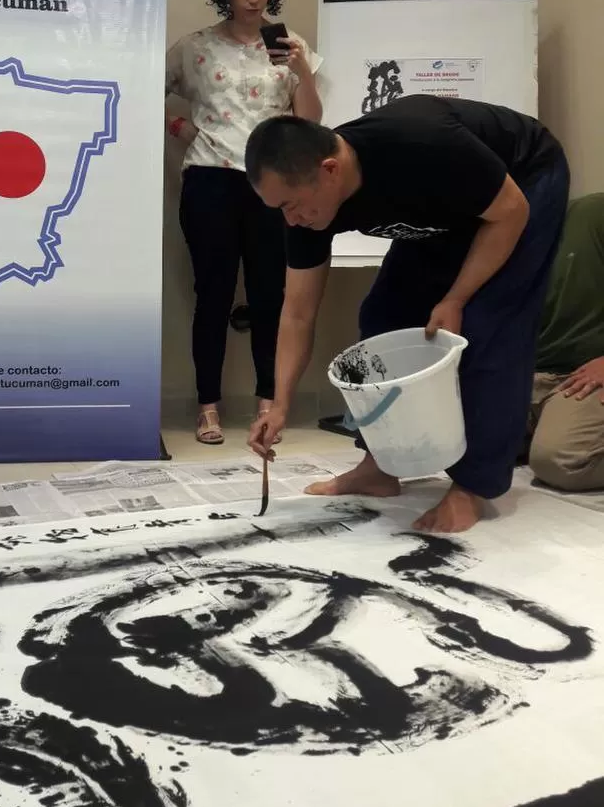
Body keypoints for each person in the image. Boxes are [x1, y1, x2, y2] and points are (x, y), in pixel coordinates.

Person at [244, 94, 570, 533]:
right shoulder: (309, 208)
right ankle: (379, 466)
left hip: (523, 184)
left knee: (488, 325)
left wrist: (455, 298)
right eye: (279, 209)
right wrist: (280, 403)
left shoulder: (421, 144)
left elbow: (510, 212)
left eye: (290, 205)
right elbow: (298, 313)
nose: (290, 219)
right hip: (444, 209)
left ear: (330, 170)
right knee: (383, 315)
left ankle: (473, 486)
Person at [165, 0, 322, 445]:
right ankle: (207, 406)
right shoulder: (194, 48)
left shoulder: (292, 47)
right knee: (211, 296)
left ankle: (268, 402)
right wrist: (180, 128)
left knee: (270, 297)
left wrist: (303, 73)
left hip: (273, 187)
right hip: (210, 180)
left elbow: (311, 125)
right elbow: (140, 90)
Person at [527, 193, 604, 492]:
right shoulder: (508, 235)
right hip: (527, 375)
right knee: (460, 448)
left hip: (581, 377)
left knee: (562, 462)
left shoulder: (592, 215)